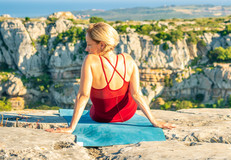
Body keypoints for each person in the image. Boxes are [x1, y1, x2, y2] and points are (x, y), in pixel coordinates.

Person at [46, 22, 175, 133]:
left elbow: (83, 95)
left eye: (89, 45)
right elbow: (137, 94)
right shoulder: (128, 59)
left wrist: (71, 127)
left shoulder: (90, 60)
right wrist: (154, 121)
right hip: (128, 115)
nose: (86, 49)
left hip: (101, 117)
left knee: (93, 107)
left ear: (102, 45)